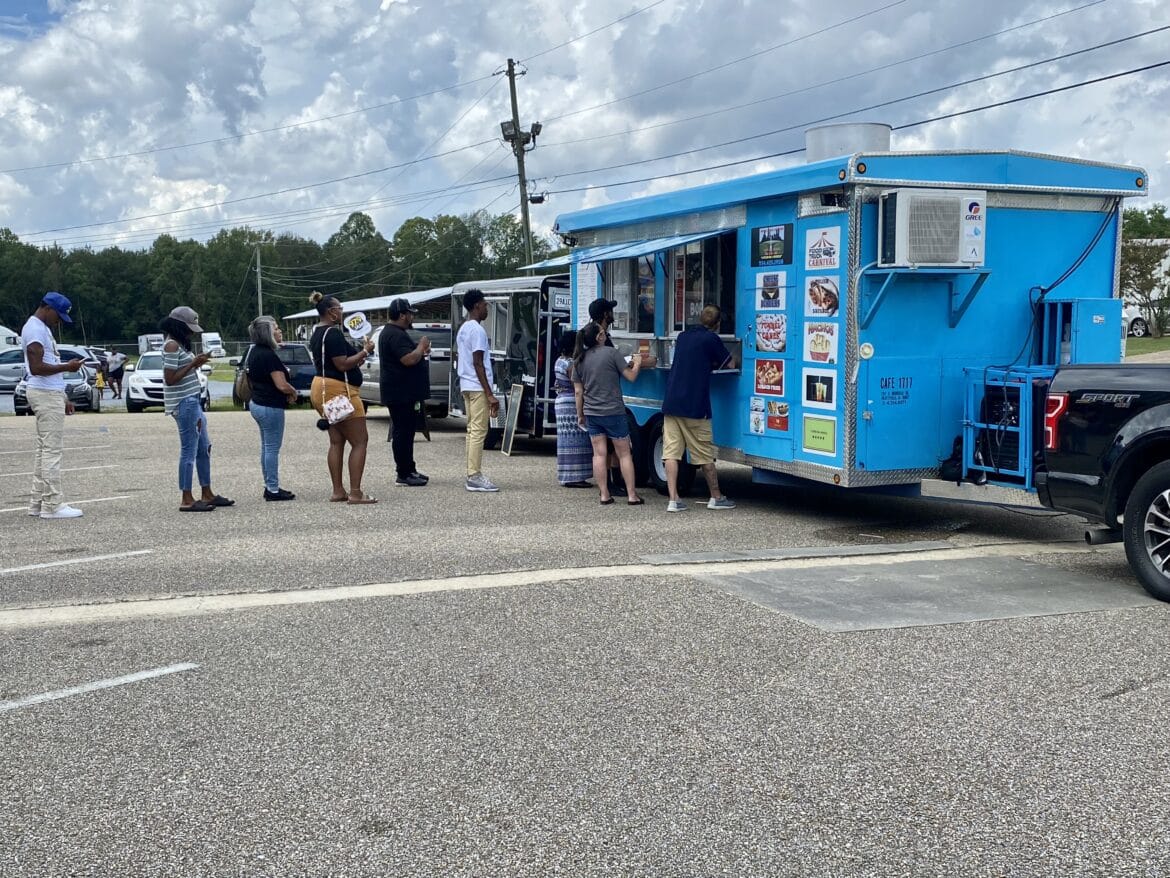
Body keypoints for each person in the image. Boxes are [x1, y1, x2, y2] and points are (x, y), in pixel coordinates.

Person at [660, 303, 737, 513]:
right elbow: (730, 364)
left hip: (672, 403)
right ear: (717, 324)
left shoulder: (683, 336)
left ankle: (674, 500)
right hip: (695, 406)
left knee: (671, 453)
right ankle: (716, 497)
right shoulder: (711, 339)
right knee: (704, 453)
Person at [161, 305, 234, 512]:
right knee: (189, 450)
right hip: (184, 402)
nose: (192, 332)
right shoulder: (171, 346)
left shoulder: (179, 345)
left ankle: (207, 492)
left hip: (192, 400)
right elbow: (170, 379)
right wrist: (193, 364)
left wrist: (196, 362)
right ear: (178, 326)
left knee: (204, 448)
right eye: (189, 328)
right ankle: (186, 498)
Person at [21, 292, 85, 519]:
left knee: (43, 450)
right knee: (51, 450)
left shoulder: (39, 328)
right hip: (45, 393)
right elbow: (37, 367)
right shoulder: (36, 330)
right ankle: (52, 505)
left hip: (48, 392)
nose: (59, 322)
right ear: (47, 308)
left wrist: (63, 396)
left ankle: (37, 502)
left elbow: (45, 364)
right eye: (58, 316)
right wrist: (68, 367)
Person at [308, 291, 377, 504]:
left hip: (321, 387)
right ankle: (356, 493)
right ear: (331, 312)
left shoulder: (318, 333)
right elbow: (342, 364)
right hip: (339, 391)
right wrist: (365, 351)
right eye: (340, 308)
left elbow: (337, 361)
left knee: (337, 441)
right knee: (360, 441)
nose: (342, 311)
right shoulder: (334, 334)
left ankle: (338, 490)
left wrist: (359, 354)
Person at [572, 322, 646, 506]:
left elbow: (578, 392)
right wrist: (637, 363)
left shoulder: (579, 360)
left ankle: (604, 494)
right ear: (599, 337)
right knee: (624, 454)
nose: (606, 334)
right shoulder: (612, 353)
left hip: (592, 413)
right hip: (614, 411)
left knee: (599, 454)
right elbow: (631, 376)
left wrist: (580, 414)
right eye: (603, 332)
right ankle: (632, 495)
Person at [378, 298, 431, 488]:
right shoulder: (395, 334)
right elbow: (408, 360)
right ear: (402, 315)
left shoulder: (393, 333)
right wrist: (420, 347)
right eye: (409, 314)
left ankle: (410, 469)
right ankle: (403, 473)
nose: (411, 317)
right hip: (400, 393)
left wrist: (420, 353)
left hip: (403, 392)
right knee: (402, 432)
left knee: (407, 432)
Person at [245, 315, 298, 501]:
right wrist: (293, 392)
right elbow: (281, 385)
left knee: (266, 447)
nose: (279, 331)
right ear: (267, 333)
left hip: (257, 402)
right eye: (275, 328)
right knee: (272, 448)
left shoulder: (255, 352)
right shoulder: (269, 356)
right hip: (270, 405)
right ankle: (273, 489)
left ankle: (269, 484)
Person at [456, 289, 500, 492]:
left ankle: (471, 472)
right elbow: (478, 362)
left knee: (472, 430)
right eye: (484, 304)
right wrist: (489, 393)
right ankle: (474, 475)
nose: (487, 307)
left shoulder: (463, 328)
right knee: (479, 431)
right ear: (476, 306)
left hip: (466, 385)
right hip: (477, 387)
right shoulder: (478, 331)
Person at [553, 332, 591, 488]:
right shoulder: (571, 364)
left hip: (561, 401)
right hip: (571, 403)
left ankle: (567, 474)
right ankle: (575, 476)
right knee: (576, 440)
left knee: (565, 440)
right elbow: (576, 385)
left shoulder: (559, 360)